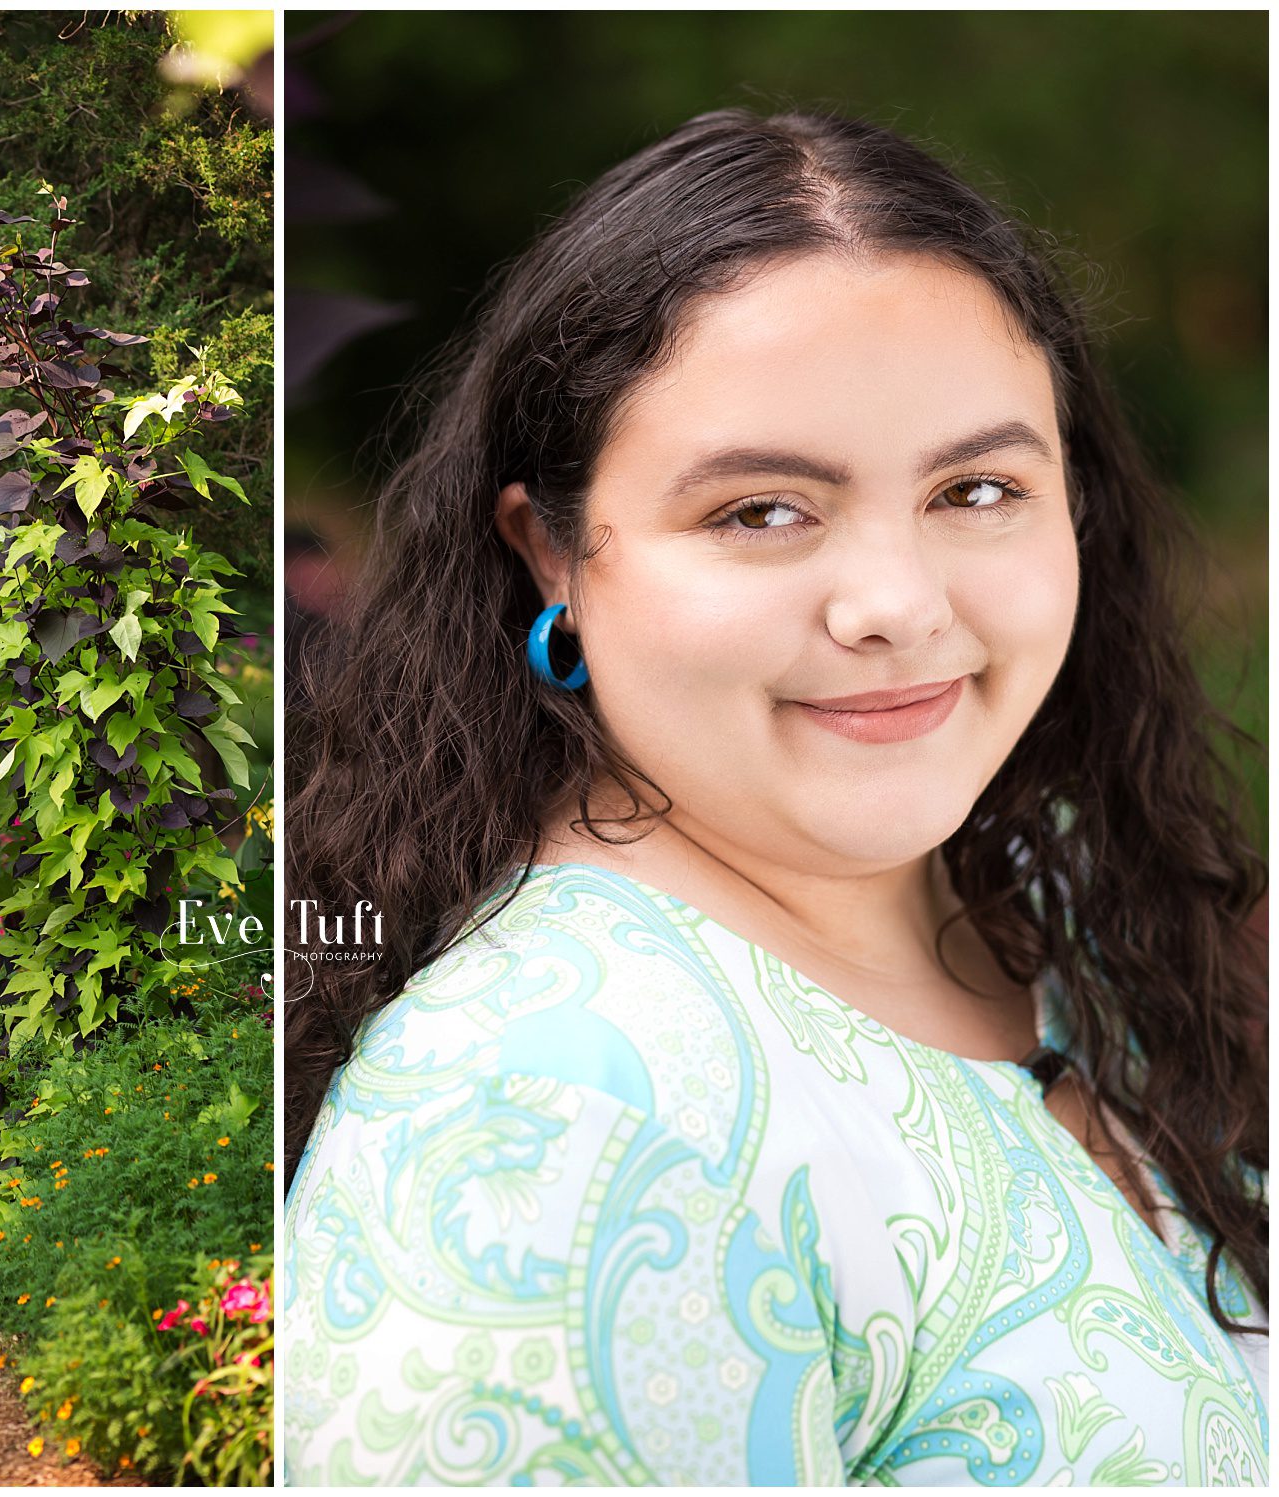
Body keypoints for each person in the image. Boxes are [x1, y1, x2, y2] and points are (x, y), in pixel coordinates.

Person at [282, 110, 1268, 1485]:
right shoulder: (554, 1127)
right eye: (761, 511)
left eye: (978, 489)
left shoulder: (1076, 894)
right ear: (552, 554)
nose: (898, 605)